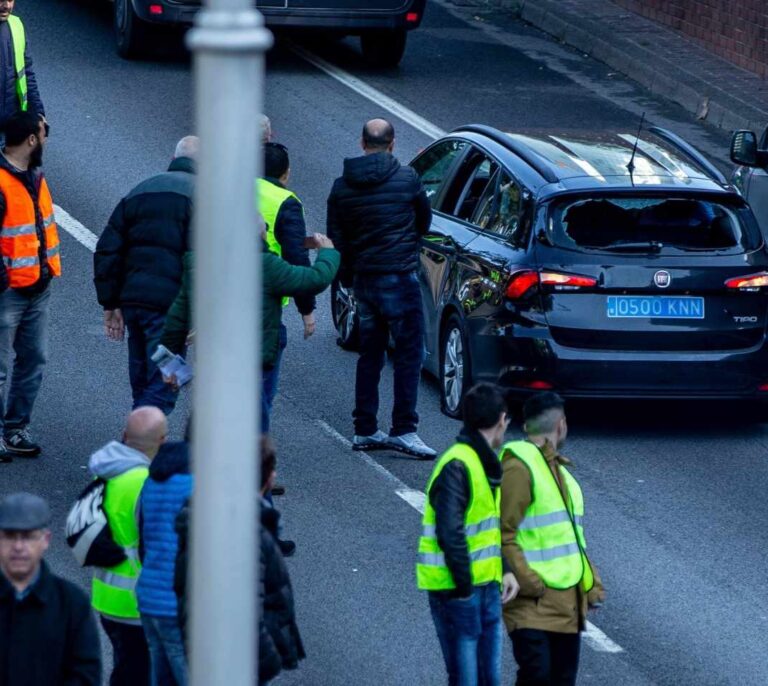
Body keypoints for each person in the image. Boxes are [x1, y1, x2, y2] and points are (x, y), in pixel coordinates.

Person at [327, 118, 434, 458]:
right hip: (400, 278)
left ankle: (365, 429)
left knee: (369, 354)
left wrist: (347, 277)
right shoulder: (407, 179)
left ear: (362, 143)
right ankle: (404, 428)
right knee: (408, 353)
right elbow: (424, 220)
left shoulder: (341, 187)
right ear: (392, 144)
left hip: (365, 280)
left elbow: (337, 238)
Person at [159, 235, 339, 434]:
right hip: (251, 361)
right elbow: (315, 279)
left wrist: (169, 366)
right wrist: (327, 252)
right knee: (255, 423)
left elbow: (176, 319)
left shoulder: (199, 261)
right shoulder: (264, 264)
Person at [417, 383, 519, 686]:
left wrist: (505, 569)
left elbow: (487, 528)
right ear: (501, 420)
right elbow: (451, 533)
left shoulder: (483, 462)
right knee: (465, 680)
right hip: (458, 591)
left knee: (489, 679)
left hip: (485, 586)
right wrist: (464, 589)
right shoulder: (459, 465)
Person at [500, 392, 605, 686]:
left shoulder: (562, 476)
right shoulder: (518, 467)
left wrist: (590, 583)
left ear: (526, 426)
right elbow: (501, 531)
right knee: (537, 676)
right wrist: (529, 583)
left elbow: (572, 541)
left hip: (566, 602)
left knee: (560, 678)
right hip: (531, 600)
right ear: (561, 425)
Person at [94, 136, 198, 415]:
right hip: (169, 310)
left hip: (135, 306)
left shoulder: (140, 190)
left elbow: (107, 250)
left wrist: (110, 303)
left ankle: (139, 437)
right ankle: (137, 445)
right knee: (166, 383)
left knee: (145, 379)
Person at [89, 406, 168, 686]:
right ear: (161, 441)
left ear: (124, 436)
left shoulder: (106, 473)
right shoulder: (148, 484)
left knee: (126, 667)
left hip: (106, 597)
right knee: (136, 673)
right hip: (137, 602)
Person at [0, 110, 58, 461]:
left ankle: (15, 428)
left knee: (33, 359)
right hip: (7, 291)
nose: (47, 139)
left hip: (37, 285)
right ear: (32, 140)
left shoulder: (34, 175)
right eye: (44, 132)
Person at [0, 492, 101, 685]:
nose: (19, 546)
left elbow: (86, 676)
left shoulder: (72, 602)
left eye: (29, 537)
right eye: (10, 536)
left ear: (45, 540)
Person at [256, 142, 318, 432]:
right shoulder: (285, 201)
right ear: (286, 174)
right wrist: (307, 310)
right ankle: (255, 459)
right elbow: (297, 257)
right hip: (264, 305)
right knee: (261, 393)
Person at [137, 425, 192, 686]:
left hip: (150, 597)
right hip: (180, 607)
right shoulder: (205, 481)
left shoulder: (155, 476)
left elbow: (143, 538)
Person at [0, 0, 45, 131]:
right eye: (1, 0)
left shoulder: (16, 26)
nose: (6, 6)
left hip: (11, 125)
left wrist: (38, 113)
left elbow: (27, 75)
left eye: (10, 0)